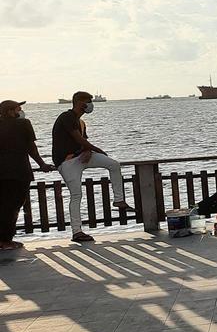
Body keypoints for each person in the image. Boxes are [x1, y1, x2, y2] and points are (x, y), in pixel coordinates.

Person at [52, 91, 132, 243]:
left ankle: (118, 200)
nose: (90, 104)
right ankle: (77, 232)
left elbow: (83, 140)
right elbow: (76, 137)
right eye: (88, 101)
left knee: (113, 164)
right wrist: (97, 149)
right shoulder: (66, 117)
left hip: (82, 156)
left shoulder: (81, 122)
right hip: (67, 161)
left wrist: (89, 150)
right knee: (76, 195)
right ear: (79, 102)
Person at [1, 101, 53, 253]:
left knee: (2, 204)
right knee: (13, 205)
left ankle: (3, 239)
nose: (21, 110)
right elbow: (31, 147)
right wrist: (42, 164)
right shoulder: (23, 124)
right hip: (18, 170)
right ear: (11, 111)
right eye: (18, 108)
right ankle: (5, 240)